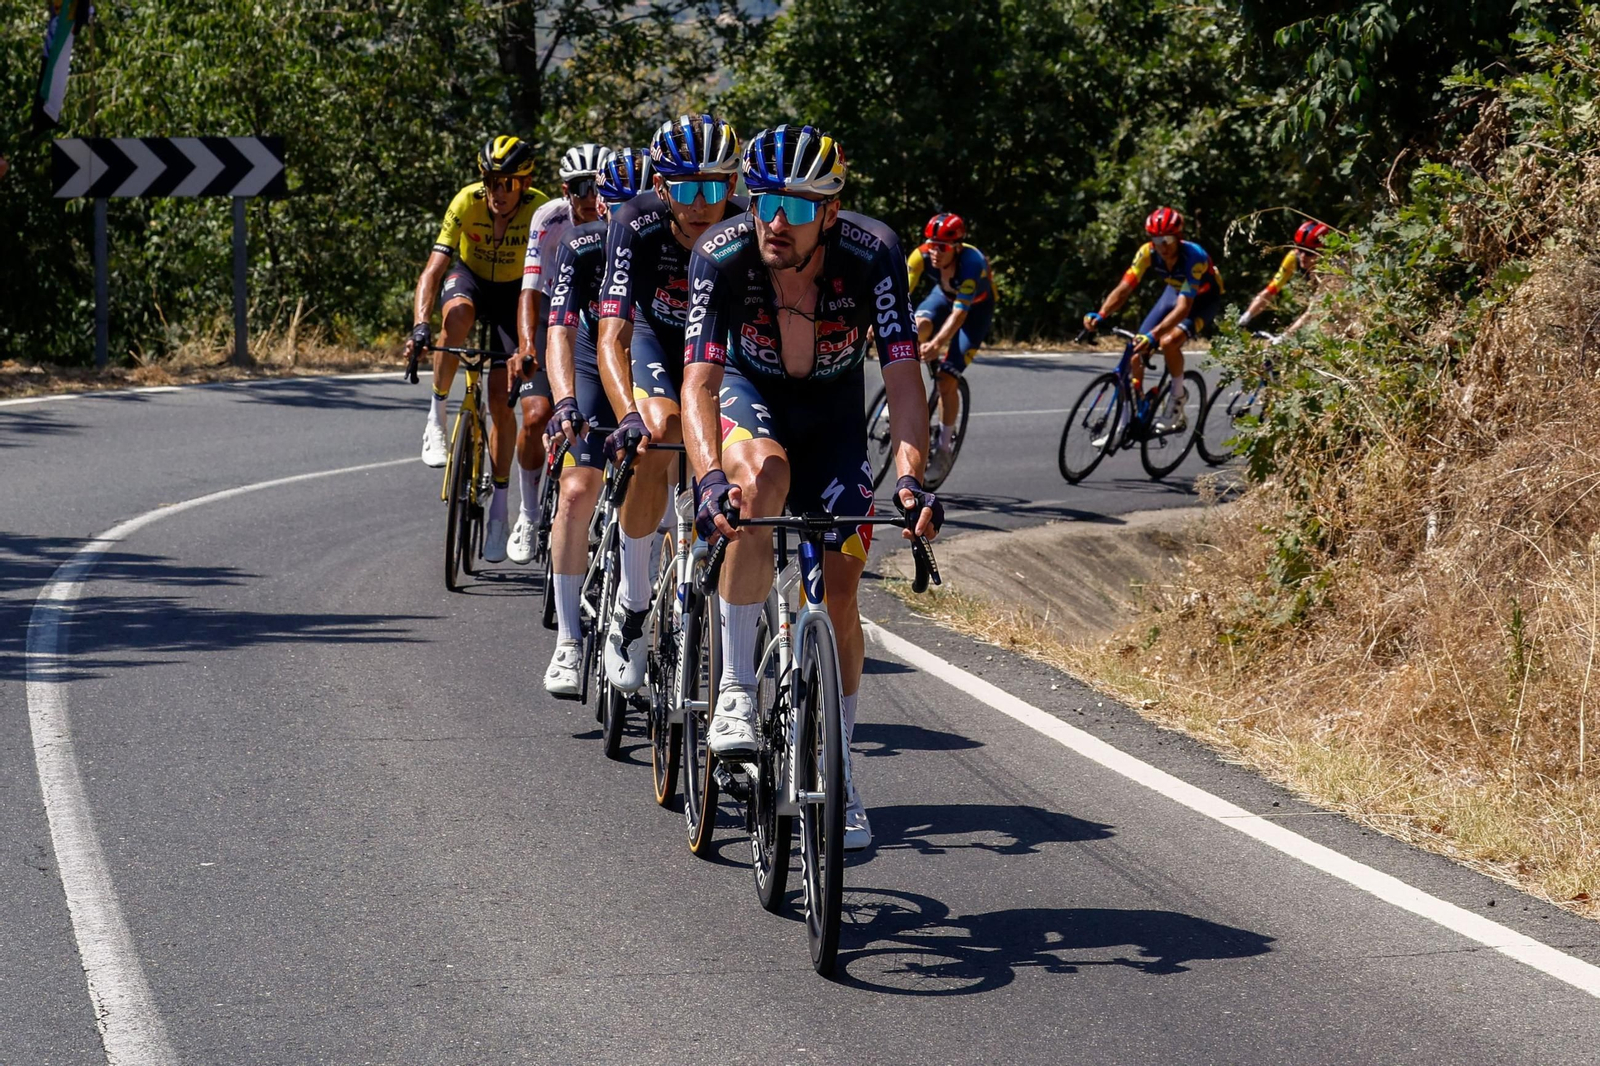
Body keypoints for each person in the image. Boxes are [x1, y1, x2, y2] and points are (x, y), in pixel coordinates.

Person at [682, 123, 943, 850]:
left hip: (832, 416)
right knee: (762, 477)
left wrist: (913, 482)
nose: (773, 221)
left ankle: (842, 770)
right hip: (748, 395)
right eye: (763, 201)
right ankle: (735, 689)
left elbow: (901, 377)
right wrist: (707, 481)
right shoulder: (721, 253)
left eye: (795, 209)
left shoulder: (874, 254)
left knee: (843, 586)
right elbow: (699, 381)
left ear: (830, 212)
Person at [595, 113, 744, 695]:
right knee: (659, 432)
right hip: (657, 339)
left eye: (715, 185)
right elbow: (613, 335)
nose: (702, 202)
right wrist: (626, 413)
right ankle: (631, 607)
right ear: (661, 186)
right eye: (686, 187)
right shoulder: (634, 223)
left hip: (718, 349)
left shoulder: (748, 228)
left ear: (732, 186)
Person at [403, 136, 549, 562]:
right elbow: (433, 270)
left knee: (503, 404)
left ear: (523, 183)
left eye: (506, 183)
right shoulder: (466, 202)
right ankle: (437, 414)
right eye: (490, 181)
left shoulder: (539, 209)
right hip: (471, 280)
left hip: (516, 295)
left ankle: (501, 511)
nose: (496, 192)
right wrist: (418, 326)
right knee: (457, 319)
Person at [538, 156, 652, 696]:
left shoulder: (665, 240)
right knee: (578, 489)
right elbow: (557, 330)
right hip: (590, 358)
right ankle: (568, 639)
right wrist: (563, 403)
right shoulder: (581, 246)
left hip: (654, 362)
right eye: (613, 205)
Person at [507, 143, 614, 565]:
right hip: (552, 311)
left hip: (597, 318)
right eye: (580, 187)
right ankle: (529, 514)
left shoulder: (619, 215)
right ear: (565, 191)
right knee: (535, 416)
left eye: (597, 186)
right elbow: (530, 290)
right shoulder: (548, 218)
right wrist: (527, 346)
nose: (590, 197)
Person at [1083, 206, 1222, 432]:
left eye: (1167, 239)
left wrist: (1154, 335)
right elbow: (1124, 288)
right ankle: (1130, 415)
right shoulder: (1147, 252)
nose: (1162, 245)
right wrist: (1101, 313)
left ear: (1178, 237)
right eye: (1156, 239)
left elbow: (1184, 307)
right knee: (1135, 351)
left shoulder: (1193, 257)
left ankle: (1177, 398)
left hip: (1202, 302)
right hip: (1173, 294)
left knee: (1168, 342)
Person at [905, 212, 996, 483]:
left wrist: (938, 344)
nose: (934, 252)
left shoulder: (972, 264)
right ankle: (909, 389)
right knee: (916, 329)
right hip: (942, 297)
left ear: (956, 248)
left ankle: (943, 447)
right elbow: (898, 294)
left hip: (975, 311)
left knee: (946, 380)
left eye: (941, 247)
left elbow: (960, 315)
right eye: (931, 245)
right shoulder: (919, 256)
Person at [1236, 219, 1331, 335]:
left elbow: (1313, 311)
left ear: (1325, 252)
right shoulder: (1293, 257)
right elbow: (1270, 291)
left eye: (1309, 252)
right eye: (1300, 249)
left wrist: (1285, 337)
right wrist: (1245, 318)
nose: (1302, 256)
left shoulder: (1333, 269)